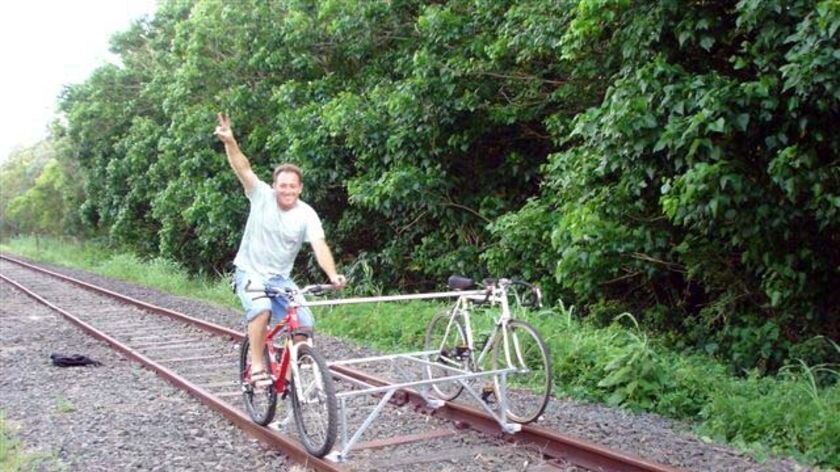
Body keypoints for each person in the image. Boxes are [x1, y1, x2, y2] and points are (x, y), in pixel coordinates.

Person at [214, 112, 346, 387]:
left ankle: (286, 377)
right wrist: (230, 142)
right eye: (282, 185)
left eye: (292, 186)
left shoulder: (306, 213)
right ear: (274, 186)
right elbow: (243, 167)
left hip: (280, 279)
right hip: (250, 273)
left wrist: (333, 275)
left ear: (300, 188)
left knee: (305, 324)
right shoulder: (261, 196)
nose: (287, 190)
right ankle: (258, 364)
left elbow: (320, 246)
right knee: (260, 308)